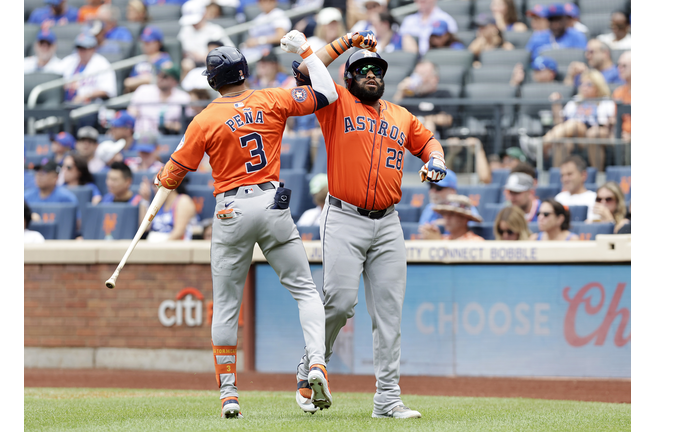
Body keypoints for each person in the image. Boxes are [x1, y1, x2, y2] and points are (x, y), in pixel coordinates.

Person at [154, 32, 342, 417]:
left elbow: (173, 175)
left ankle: (228, 393)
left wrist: (156, 195)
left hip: (231, 210)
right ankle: (318, 363)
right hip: (272, 202)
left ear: (213, 80)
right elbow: (328, 92)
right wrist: (306, 49)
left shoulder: (204, 118)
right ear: (244, 71)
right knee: (306, 292)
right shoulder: (272, 98)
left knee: (225, 306)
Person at [292, 34, 448, 418]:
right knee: (341, 304)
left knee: (389, 315)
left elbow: (429, 142)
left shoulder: (400, 115)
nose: (371, 74)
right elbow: (302, 72)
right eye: (361, 69)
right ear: (348, 77)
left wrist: (436, 161)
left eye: (376, 69)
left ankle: (387, 399)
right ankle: (312, 365)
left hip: (388, 223)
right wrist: (344, 42)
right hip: (344, 217)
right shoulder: (335, 103)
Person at [535, 69, 615, 168]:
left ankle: (541, 144)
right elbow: (560, 124)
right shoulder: (575, 101)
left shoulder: (605, 102)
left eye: (589, 84)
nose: (584, 87)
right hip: (575, 136)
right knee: (563, 143)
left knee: (576, 125)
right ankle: (557, 178)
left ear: (598, 86)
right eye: (582, 84)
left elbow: (608, 123)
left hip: (593, 133)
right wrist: (556, 106)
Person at [128, 61, 192, 136]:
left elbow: (189, 123)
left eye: (165, 76)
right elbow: (131, 114)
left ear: (174, 81)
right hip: (141, 137)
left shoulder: (183, 97)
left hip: (169, 139)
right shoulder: (143, 90)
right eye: (158, 74)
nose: (160, 78)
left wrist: (171, 125)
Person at [60, 32, 118, 105]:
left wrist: (86, 95)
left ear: (93, 49)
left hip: (91, 106)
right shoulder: (70, 61)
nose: (81, 51)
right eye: (79, 48)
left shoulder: (102, 64)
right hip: (65, 104)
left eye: (84, 48)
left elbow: (108, 90)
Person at [178, 3, 235, 75]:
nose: (193, 23)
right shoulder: (185, 30)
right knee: (186, 64)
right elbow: (181, 49)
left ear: (203, 14)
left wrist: (209, 56)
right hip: (193, 65)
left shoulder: (215, 29)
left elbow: (230, 49)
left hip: (213, 65)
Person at [124, 26, 173, 93]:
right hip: (137, 94)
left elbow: (163, 80)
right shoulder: (141, 59)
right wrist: (144, 80)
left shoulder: (164, 59)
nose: (144, 45)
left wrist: (145, 80)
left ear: (158, 43)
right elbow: (128, 82)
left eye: (148, 43)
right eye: (143, 42)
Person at [419, 194, 485, 240]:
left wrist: (438, 243)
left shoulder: (476, 242)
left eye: (452, 214)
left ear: (465, 219)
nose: (447, 217)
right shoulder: (444, 239)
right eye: (445, 213)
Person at [554, 155, 596, 221]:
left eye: (569, 174)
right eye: (562, 175)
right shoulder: (558, 199)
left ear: (583, 175)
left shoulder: (594, 199)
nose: (565, 179)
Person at [612, 51, 631, 142]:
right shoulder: (618, 92)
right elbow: (615, 120)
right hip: (622, 137)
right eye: (618, 66)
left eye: (624, 66)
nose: (620, 69)